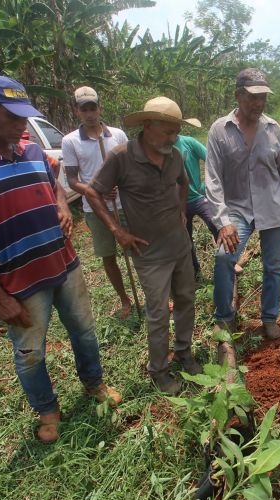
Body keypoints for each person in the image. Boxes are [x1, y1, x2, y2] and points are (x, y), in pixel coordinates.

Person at [0, 75, 121, 444]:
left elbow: (54, 185)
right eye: (13, 116)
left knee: (83, 330)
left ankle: (93, 383)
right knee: (31, 351)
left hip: (62, 262)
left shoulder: (30, 148)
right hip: (16, 279)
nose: (22, 124)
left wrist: (62, 205)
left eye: (24, 116)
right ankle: (47, 409)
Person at [85, 96, 202, 395]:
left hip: (179, 245)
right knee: (159, 313)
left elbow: (184, 183)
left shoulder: (174, 155)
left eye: (176, 132)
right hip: (148, 252)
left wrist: (180, 211)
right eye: (168, 131)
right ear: (148, 126)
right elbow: (94, 193)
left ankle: (185, 352)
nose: (173, 138)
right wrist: (117, 231)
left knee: (187, 299)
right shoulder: (121, 157)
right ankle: (159, 370)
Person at [205, 68, 280, 340]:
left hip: (272, 206)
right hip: (237, 208)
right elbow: (212, 179)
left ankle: (269, 317)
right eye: (252, 98)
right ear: (238, 96)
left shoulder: (273, 129)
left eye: (263, 98)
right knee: (224, 257)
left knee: (273, 266)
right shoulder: (220, 130)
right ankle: (224, 316)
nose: (258, 104)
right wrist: (223, 222)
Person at [61, 86, 133, 319]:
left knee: (137, 251)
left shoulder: (118, 135)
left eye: (93, 108)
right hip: (95, 209)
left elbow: (132, 168)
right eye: (85, 109)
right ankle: (125, 300)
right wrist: (97, 191)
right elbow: (72, 181)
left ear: (100, 108)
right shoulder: (70, 141)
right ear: (77, 112)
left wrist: (120, 185)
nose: (90, 113)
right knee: (108, 256)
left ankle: (152, 295)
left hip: (125, 205)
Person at [175, 133, 218, 279]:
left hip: (197, 197)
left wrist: (208, 185)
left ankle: (229, 261)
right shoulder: (159, 148)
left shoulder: (188, 142)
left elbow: (212, 160)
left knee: (216, 223)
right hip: (176, 204)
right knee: (185, 239)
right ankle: (195, 272)